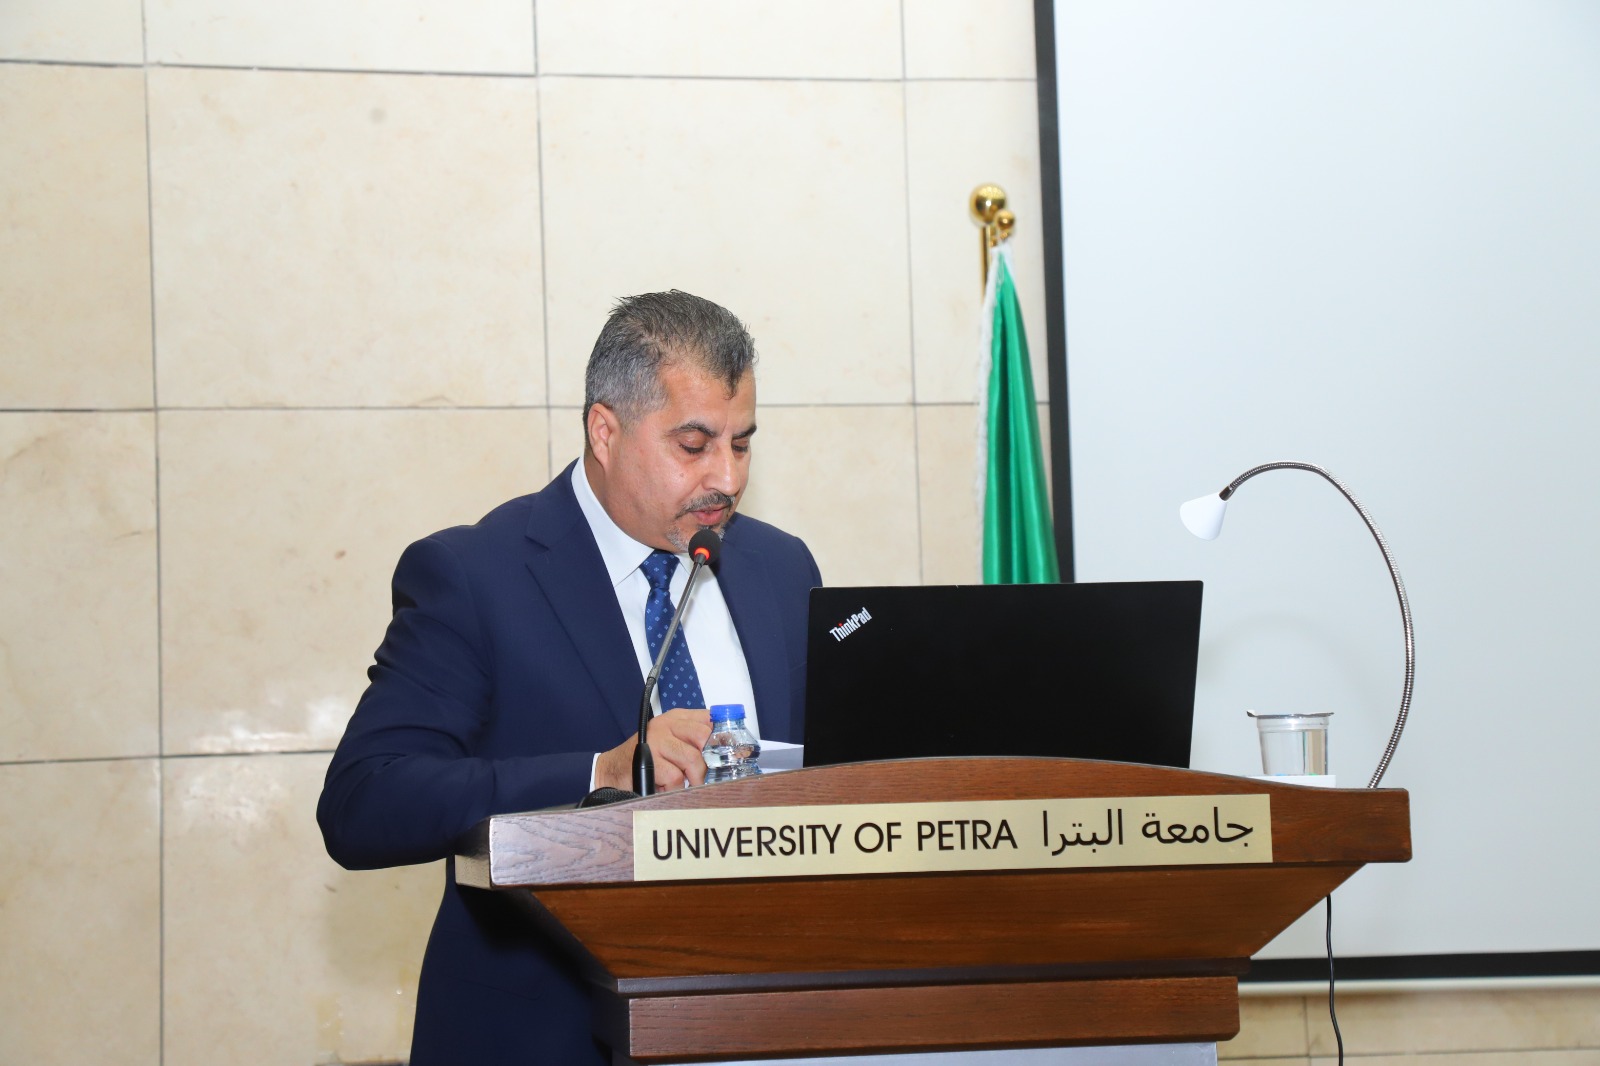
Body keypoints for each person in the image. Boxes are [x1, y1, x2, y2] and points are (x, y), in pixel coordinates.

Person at [317, 291, 821, 1065]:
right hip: (546, 1039)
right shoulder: (476, 576)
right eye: (694, 445)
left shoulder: (779, 568)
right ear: (605, 431)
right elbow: (364, 802)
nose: (727, 476)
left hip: (760, 1031)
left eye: (742, 444)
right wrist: (602, 773)